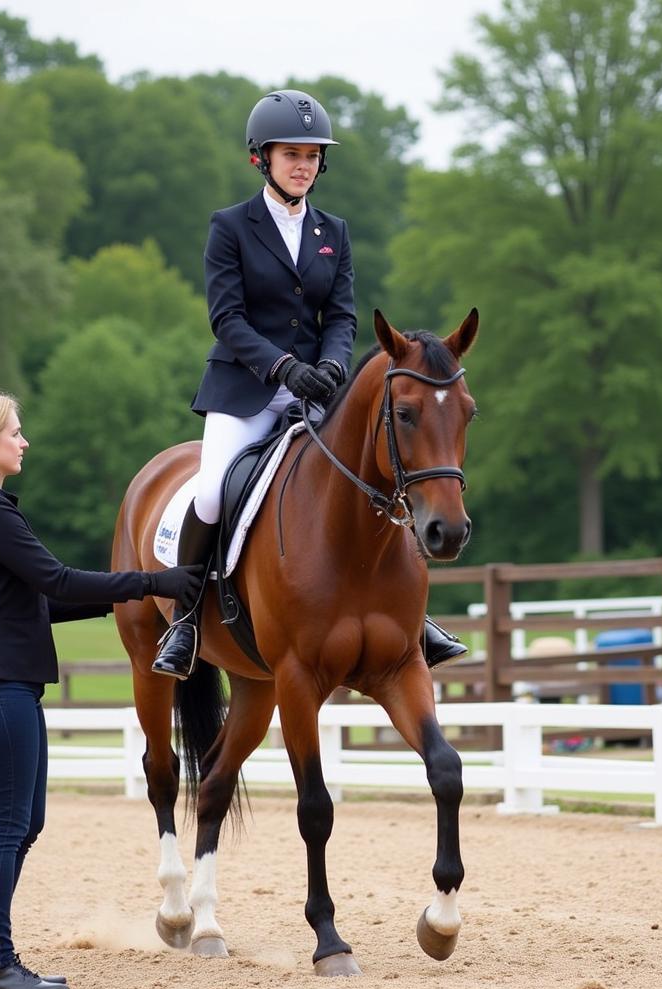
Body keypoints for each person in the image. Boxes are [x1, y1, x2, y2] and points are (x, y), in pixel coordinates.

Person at [151, 88, 467, 680]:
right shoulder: (230, 228)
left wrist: (332, 367)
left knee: (376, 477)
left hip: (316, 392)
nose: (303, 164)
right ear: (262, 158)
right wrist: (281, 367)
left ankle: (410, 615)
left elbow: (342, 315)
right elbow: (227, 318)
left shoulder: (333, 231)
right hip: (244, 390)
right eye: (291, 153)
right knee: (215, 490)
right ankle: (186, 620)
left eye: (313, 155)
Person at [0, 390, 202, 989]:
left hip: (0, 684)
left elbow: (40, 603)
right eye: (16, 433)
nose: (24, 442)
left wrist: (125, 601)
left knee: (26, 823)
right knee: (3, 828)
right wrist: (155, 579)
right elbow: (55, 578)